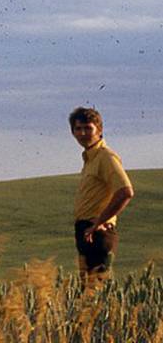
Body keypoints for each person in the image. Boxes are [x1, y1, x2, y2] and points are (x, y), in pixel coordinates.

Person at [69, 107, 134, 290]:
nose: (82, 133)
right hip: (87, 232)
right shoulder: (90, 158)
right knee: (86, 295)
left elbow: (126, 191)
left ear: (99, 129)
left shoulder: (106, 156)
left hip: (98, 233)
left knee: (95, 295)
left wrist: (99, 222)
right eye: (78, 128)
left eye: (88, 128)